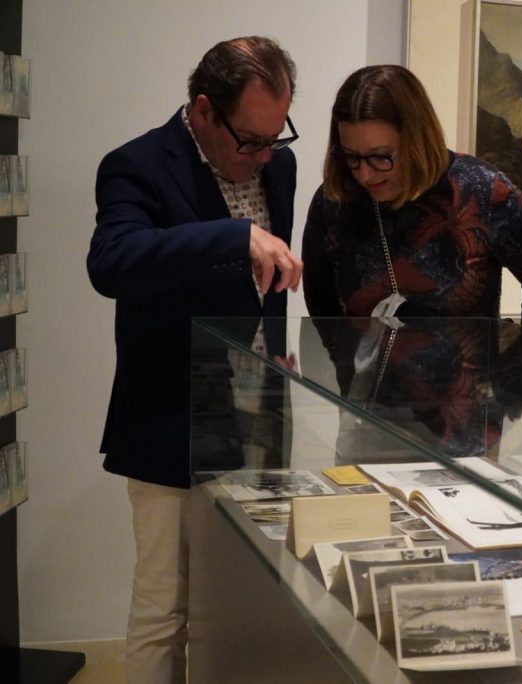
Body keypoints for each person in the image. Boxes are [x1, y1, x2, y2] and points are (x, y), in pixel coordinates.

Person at [86, 36, 302, 683]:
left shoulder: (279, 169)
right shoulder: (137, 166)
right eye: (251, 142)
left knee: (238, 602)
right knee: (164, 608)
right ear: (204, 111)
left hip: (258, 424)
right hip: (170, 420)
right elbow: (113, 263)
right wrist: (233, 237)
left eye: (276, 139)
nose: (265, 157)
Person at [302, 64, 522, 332]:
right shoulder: (334, 201)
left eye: (381, 156)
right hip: (363, 374)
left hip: (475, 372)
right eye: (352, 157)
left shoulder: (483, 190)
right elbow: (322, 310)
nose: (365, 175)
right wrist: (339, 368)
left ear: (417, 140)